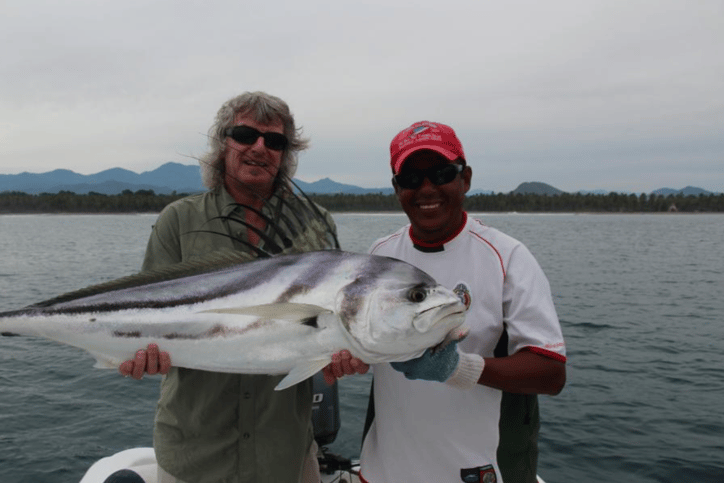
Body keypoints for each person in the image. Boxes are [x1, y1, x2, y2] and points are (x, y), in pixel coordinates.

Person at [117, 91, 355, 483]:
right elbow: (145, 314)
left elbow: (324, 327)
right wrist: (138, 353)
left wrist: (343, 357)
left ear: (285, 154)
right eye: (245, 134)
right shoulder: (179, 220)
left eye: (275, 141)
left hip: (286, 454)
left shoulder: (316, 224)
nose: (260, 148)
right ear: (222, 143)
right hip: (195, 452)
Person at [330, 121, 567, 483]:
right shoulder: (380, 255)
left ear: (465, 178)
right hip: (383, 471)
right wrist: (346, 358)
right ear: (397, 189)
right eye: (410, 178)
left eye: (441, 173)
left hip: (478, 472)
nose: (426, 189)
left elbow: (551, 374)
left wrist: (460, 368)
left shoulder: (507, 257)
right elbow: (363, 342)